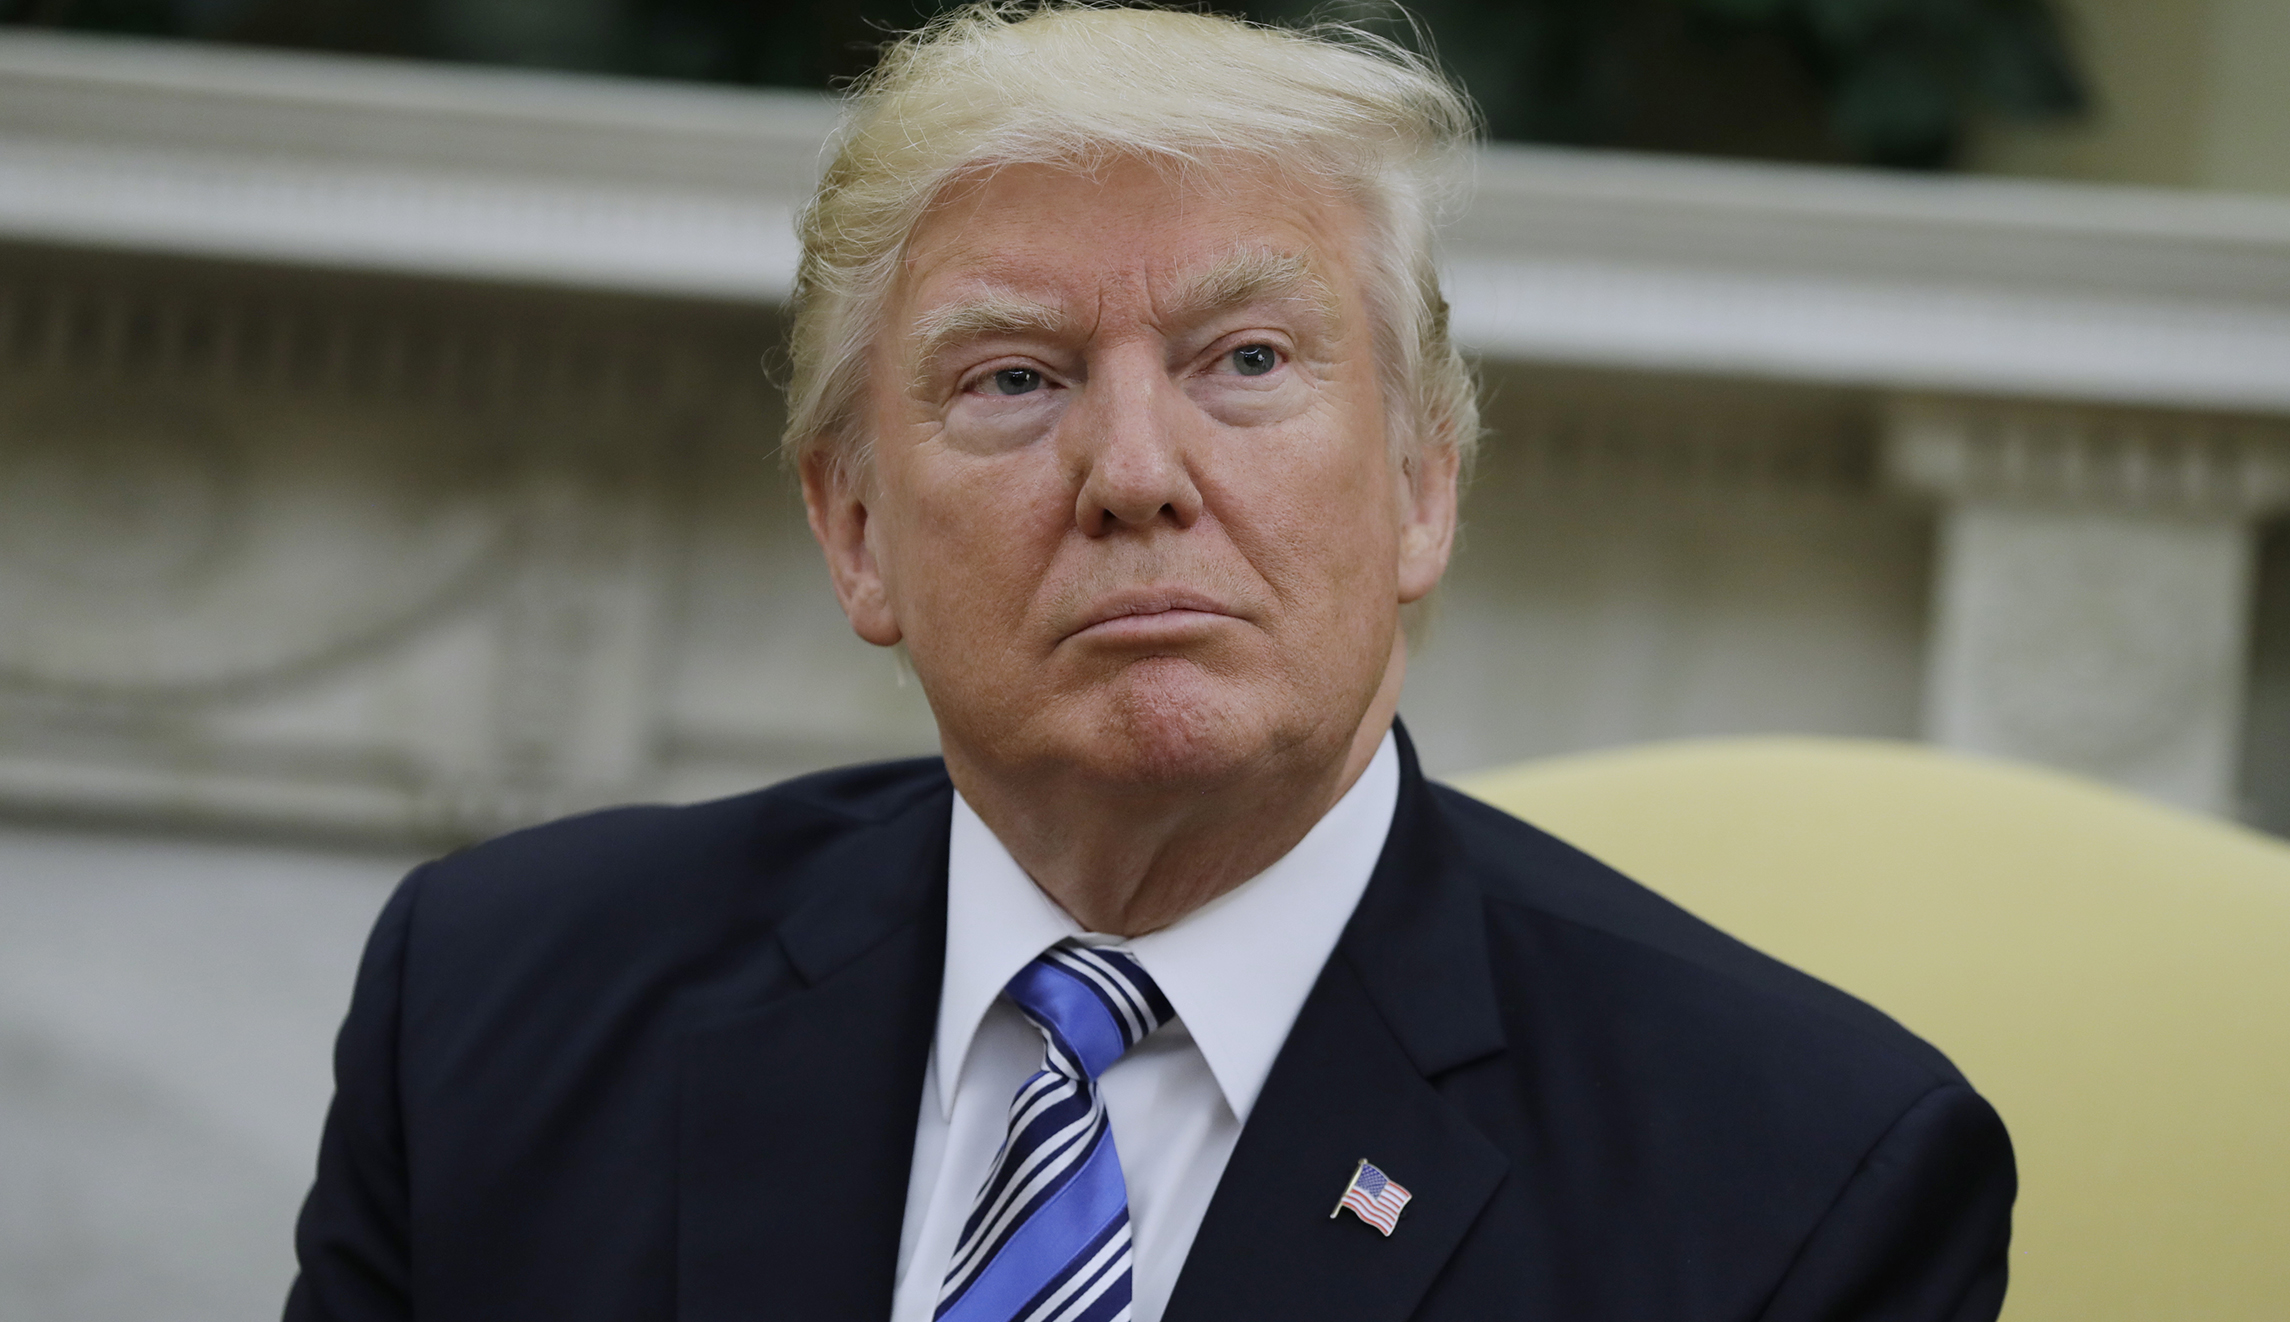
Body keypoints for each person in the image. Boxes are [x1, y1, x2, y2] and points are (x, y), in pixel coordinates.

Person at [284, 7, 2015, 1322]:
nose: (1132, 472)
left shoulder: (1796, 1177)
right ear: (857, 530)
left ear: (1422, 485)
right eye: (1012, 378)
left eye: (1245, 358)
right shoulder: (499, 1006)